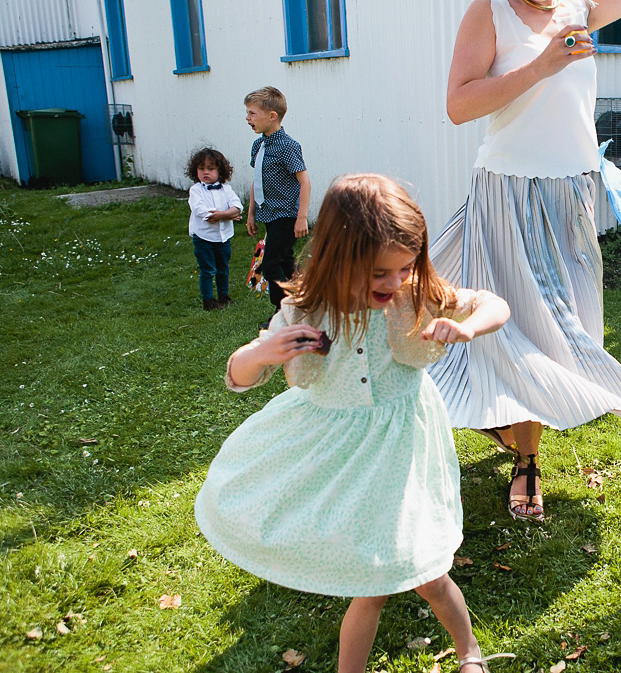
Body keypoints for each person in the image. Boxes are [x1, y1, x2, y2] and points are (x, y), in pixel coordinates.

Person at [196, 174, 513, 673]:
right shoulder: (307, 310)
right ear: (341, 260)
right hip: (334, 447)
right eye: (379, 273)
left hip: (402, 446)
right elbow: (238, 375)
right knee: (372, 579)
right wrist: (260, 353)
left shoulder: (415, 293)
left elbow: (495, 305)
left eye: (405, 267)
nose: (395, 282)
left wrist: (468, 325)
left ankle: (470, 652)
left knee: (425, 572)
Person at [435, 0, 621, 521]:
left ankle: (510, 427)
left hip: (571, 192)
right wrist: (541, 64)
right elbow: (459, 105)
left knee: (568, 329)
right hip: (507, 191)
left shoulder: (580, 8)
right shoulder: (488, 12)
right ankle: (526, 460)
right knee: (512, 328)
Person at [244, 86, 311, 322]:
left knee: (271, 264)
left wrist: (301, 217)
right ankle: (305, 301)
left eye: (252, 113)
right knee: (285, 262)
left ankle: (284, 311)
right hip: (269, 214)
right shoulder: (259, 145)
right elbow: (256, 180)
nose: (247, 118)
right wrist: (251, 213)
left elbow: (304, 182)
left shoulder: (288, 146)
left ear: (272, 116)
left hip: (286, 215)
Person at [185, 147, 243, 311]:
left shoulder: (227, 190)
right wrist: (227, 215)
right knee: (208, 270)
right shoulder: (196, 190)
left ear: (220, 171)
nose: (206, 172)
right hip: (204, 237)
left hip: (223, 237)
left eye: (211, 169)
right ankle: (209, 301)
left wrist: (224, 214)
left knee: (223, 268)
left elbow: (237, 206)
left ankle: (224, 296)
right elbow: (201, 211)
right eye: (201, 168)